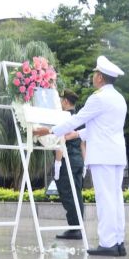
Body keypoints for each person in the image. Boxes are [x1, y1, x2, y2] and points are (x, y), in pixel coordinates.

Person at [34, 56, 127, 256]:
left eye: (95, 74)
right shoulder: (118, 98)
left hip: (103, 155)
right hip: (116, 154)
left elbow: (77, 119)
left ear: (100, 78)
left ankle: (108, 243)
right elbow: (102, 127)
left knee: (105, 199)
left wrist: (50, 131)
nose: (93, 77)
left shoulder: (99, 97)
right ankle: (118, 242)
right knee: (115, 198)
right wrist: (77, 134)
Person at [54, 89, 86, 240]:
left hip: (68, 161)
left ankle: (74, 229)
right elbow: (83, 143)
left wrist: (57, 162)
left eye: (61, 100)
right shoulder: (79, 118)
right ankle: (78, 226)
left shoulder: (64, 118)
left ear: (66, 101)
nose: (60, 103)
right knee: (77, 193)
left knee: (67, 193)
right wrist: (84, 163)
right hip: (78, 160)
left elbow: (62, 140)